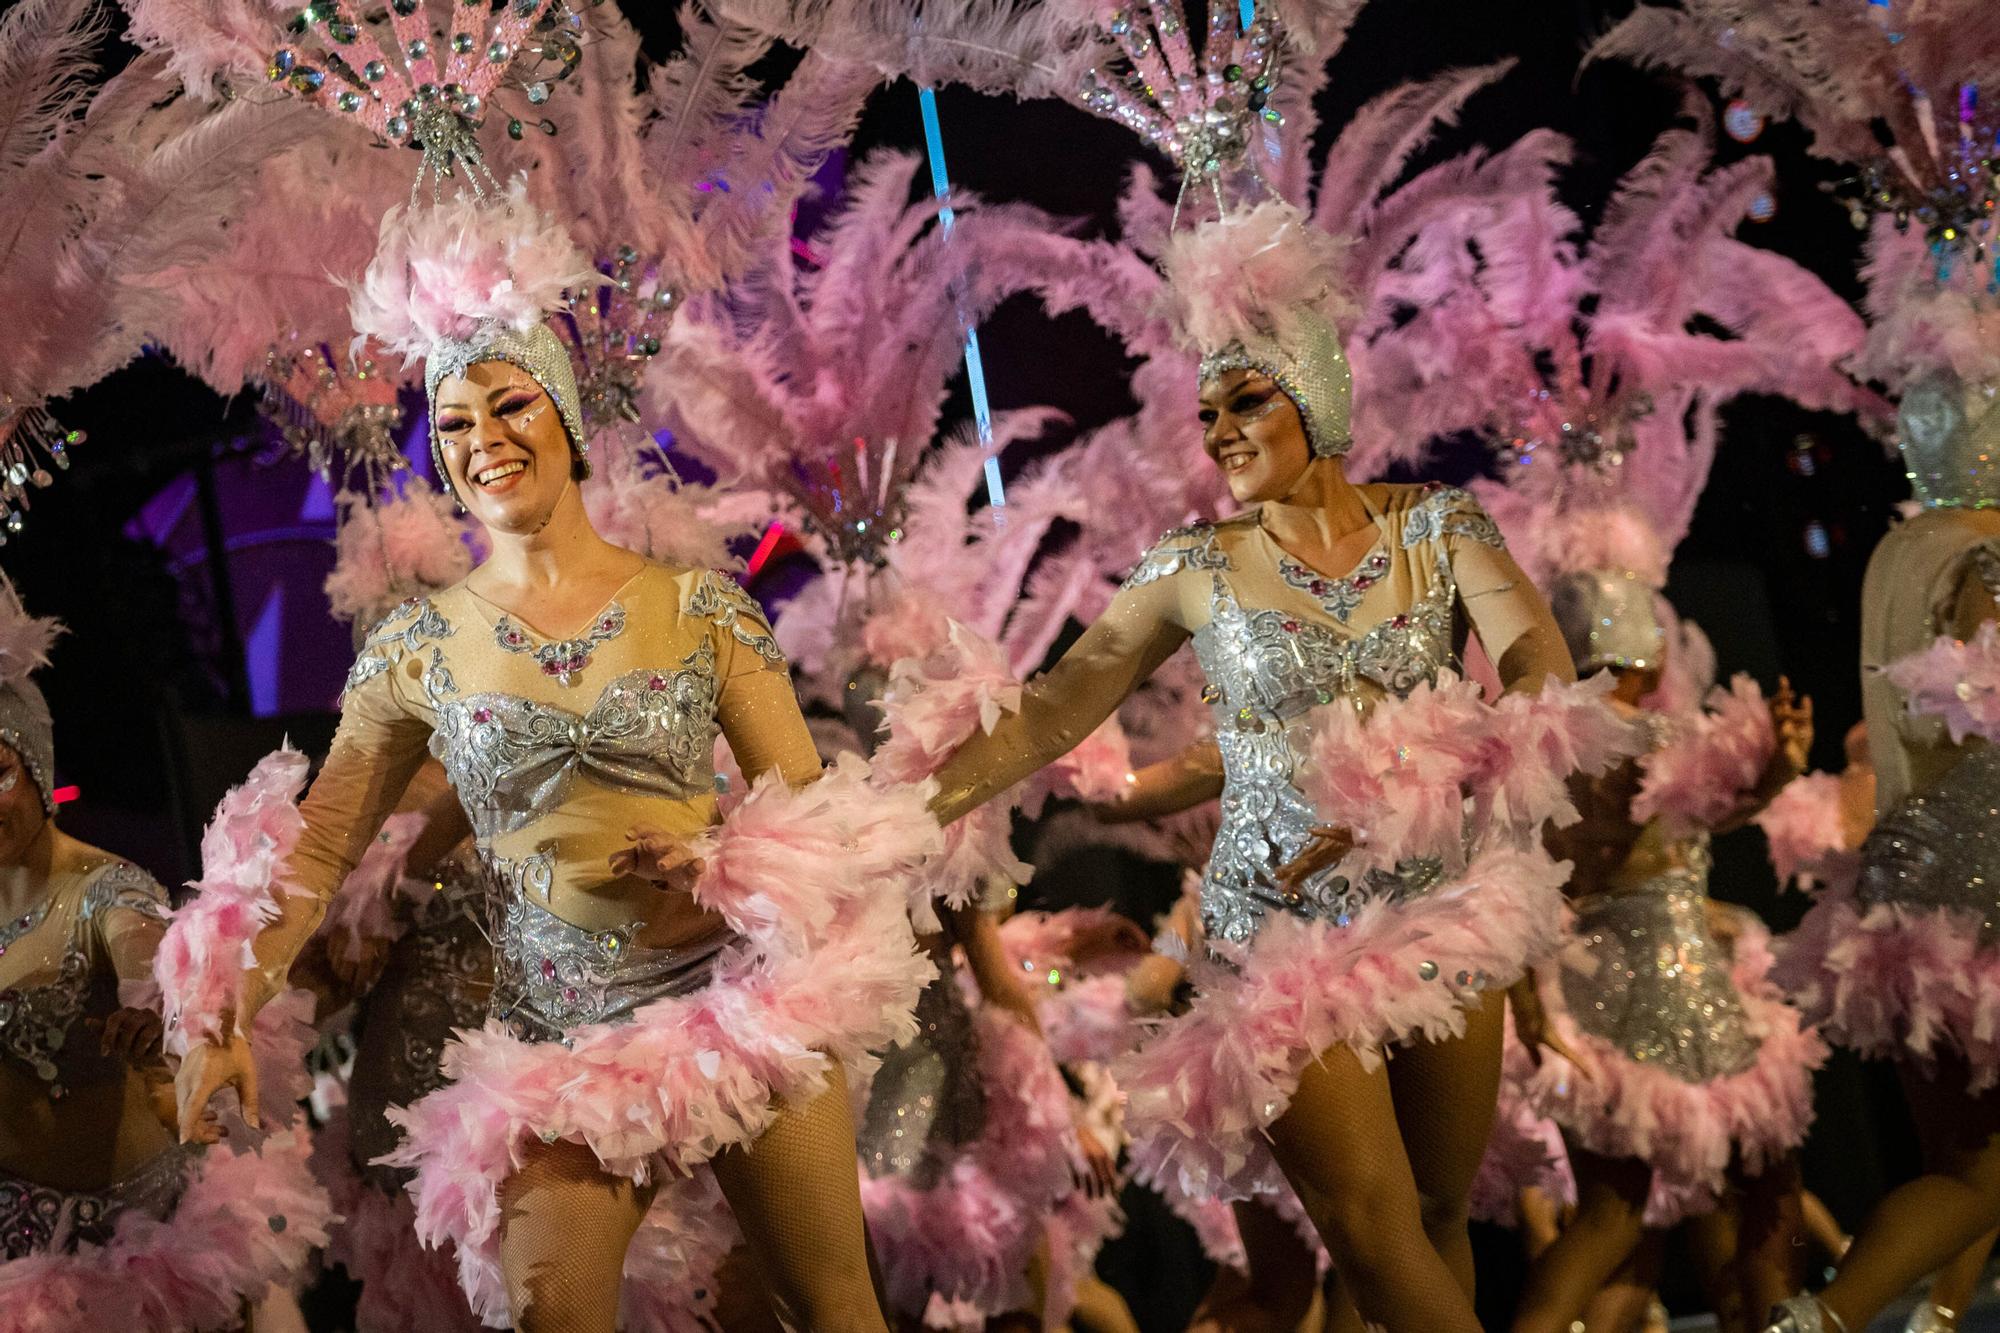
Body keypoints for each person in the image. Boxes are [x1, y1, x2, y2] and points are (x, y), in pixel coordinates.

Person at [169, 185, 929, 1333]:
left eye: (510, 405)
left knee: (832, 1306)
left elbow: (818, 814)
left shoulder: (700, 608)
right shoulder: (416, 648)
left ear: (566, 415)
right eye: (457, 426)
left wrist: (726, 859)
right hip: (556, 1032)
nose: (485, 444)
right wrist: (222, 1018)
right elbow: (321, 845)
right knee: (548, 1307)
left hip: (733, 999)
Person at [916, 200, 1579, 1333]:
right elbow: (1054, 710)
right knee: (1366, 1224)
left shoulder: (1439, 527)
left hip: (1435, 908)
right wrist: (896, 810)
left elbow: (1536, 661)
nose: (1216, 430)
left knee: (1431, 1211)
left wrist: (1439, 766)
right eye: (1204, 409)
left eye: (1243, 401)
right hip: (1271, 925)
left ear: (1313, 398)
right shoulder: (1192, 564)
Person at [0, 585, 328, 1332]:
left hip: (135, 1258)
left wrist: (161, 1009)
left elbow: (151, 953)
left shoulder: (104, 886)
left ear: (36, 764)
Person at [1506, 573, 1822, 1333]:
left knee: (1611, 1215)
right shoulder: (1654, 734)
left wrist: (1772, 771)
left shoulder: (1551, 746)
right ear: (1645, 652)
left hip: (1589, 989)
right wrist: (1778, 766)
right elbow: (1716, 804)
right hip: (1674, 987)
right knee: (1765, 1183)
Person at [1767, 371, 2000, 1333]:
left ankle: (1851, 1319)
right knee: (1980, 1176)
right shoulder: (1985, 558)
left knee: (1961, 1169)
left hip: (1909, 874)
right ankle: (1828, 1320)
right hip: (1983, 875)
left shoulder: (1902, 552)